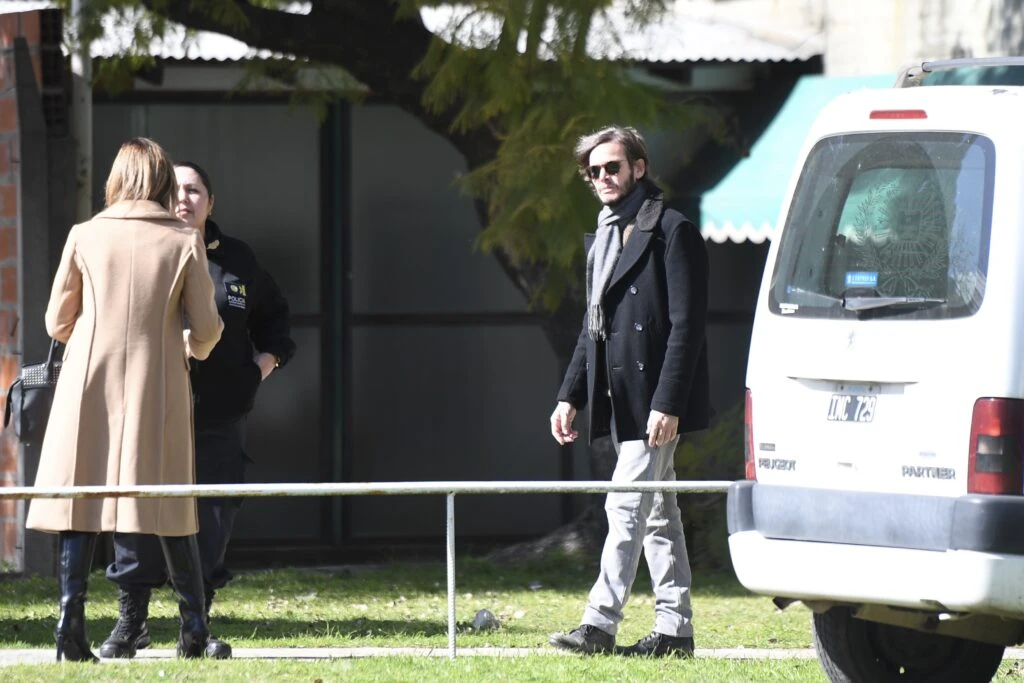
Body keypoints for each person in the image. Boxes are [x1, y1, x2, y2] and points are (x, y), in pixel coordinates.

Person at [25, 138, 225, 662]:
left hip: (88, 381)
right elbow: (205, 328)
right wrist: (188, 345)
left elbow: (55, 323)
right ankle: (194, 629)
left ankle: (70, 623)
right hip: (156, 383)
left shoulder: (84, 234)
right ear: (160, 181)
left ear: (116, 177)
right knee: (169, 500)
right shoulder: (183, 240)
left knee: (79, 498)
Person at [100, 161, 296, 660]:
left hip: (218, 414)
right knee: (138, 513)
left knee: (210, 519)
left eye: (195, 190)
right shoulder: (143, 251)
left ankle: (197, 625)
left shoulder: (238, 259)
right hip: (149, 409)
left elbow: (275, 318)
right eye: (175, 190)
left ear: (212, 202)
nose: (184, 198)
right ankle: (132, 621)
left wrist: (260, 367)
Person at [547, 126, 709, 657]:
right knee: (659, 513)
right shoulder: (603, 237)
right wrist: (570, 394)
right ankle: (675, 631)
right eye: (593, 172)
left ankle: (599, 623)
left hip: (654, 400)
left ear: (638, 168)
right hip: (620, 399)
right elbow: (591, 329)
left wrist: (669, 402)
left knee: (624, 506)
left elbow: (687, 326)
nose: (602, 179)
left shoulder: (671, 230)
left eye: (611, 167)